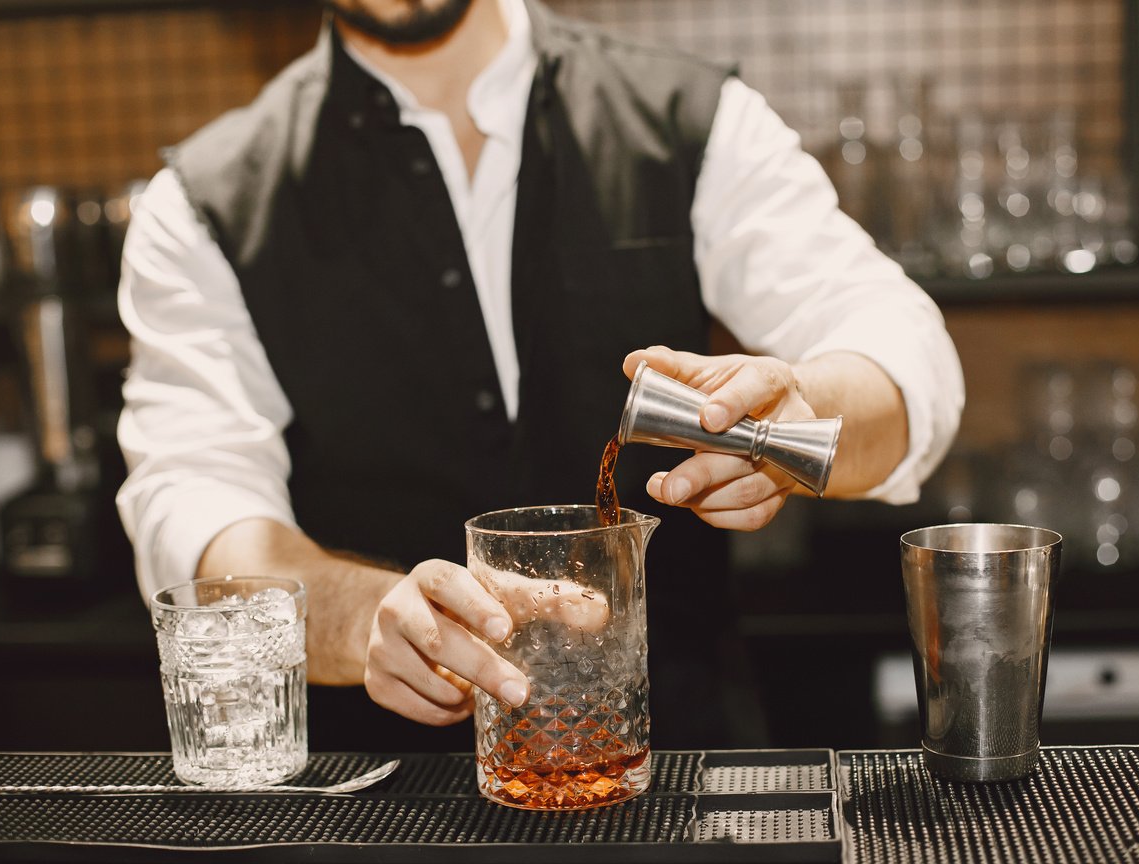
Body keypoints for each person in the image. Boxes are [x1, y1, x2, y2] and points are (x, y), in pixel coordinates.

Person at [116, 0, 964, 751]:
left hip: (683, 784)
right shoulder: (202, 204)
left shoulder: (694, 119)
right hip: (382, 806)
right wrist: (359, 615)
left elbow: (900, 352)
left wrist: (801, 411)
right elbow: (196, 501)